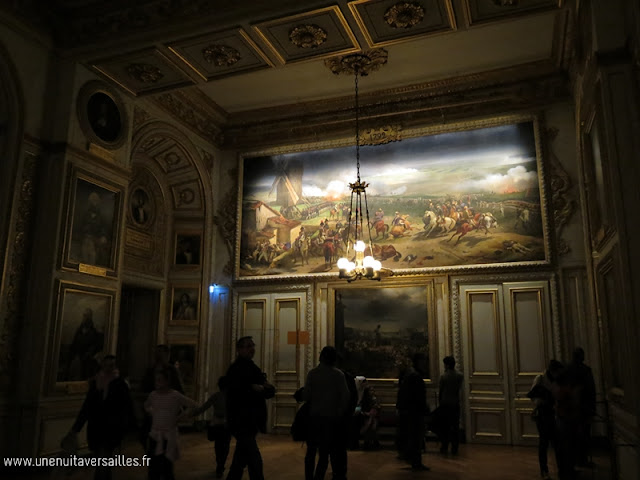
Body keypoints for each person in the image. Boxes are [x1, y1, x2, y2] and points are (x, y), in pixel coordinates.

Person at [67, 355, 135, 480]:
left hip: (111, 430)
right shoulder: (96, 383)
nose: (108, 369)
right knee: (103, 464)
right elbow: (87, 407)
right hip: (96, 429)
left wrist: (126, 429)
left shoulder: (120, 384)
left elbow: (128, 408)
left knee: (102, 465)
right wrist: (75, 429)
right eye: (106, 365)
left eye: (111, 365)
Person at [225, 336, 275, 480]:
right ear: (239, 350)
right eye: (248, 346)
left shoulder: (252, 367)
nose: (252, 349)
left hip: (249, 421)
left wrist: (260, 388)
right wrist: (256, 389)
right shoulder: (236, 370)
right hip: (242, 421)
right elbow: (238, 393)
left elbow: (269, 390)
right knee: (254, 460)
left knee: (240, 460)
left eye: (252, 345)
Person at [304, 346, 350, 480]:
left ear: (321, 357)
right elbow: (345, 397)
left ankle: (308, 477)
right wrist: (339, 412)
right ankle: (318, 477)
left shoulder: (312, 374)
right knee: (324, 454)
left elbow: (306, 396)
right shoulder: (338, 375)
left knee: (311, 452)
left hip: (314, 418)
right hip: (331, 419)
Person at [144, 367, 198, 480]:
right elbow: (147, 405)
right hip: (155, 434)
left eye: (160, 380)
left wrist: (180, 417)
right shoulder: (153, 395)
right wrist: (152, 412)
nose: (157, 383)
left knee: (167, 466)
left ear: (166, 381)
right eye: (156, 380)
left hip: (168, 436)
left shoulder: (175, 395)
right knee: (153, 466)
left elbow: (193, 405)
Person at [141, 345, 184, 447]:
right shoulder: (150, 370)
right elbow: (144, 388)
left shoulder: (171, 371)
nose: (157, 356)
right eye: (156, 353)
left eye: (160, 353)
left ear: (166, 355)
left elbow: (179, 389)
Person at [529, 360, 563, 480]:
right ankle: (544, 470)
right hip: (543, 414)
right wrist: (542, 400)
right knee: (544, 443)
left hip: (551, 413)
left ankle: (560, 469)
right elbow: (533, 396)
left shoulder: (555, 380)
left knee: (555, 443)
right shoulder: (540, 379)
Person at [396, 353, 430, 471]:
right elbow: (417, 397)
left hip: (411, 411)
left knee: (414, 437)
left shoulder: (410, 375)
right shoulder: (414, 376)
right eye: (423, 360)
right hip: (415, 412)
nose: (425, 363)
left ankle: (415, 461)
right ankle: (416, 462)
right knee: (416, 438)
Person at [193, 376, 232, 478]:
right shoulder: (232, 397)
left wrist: (193, 414)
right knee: (225, 446)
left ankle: (219, 464)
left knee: (218, 446)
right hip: (227, 425)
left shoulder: (215, 396)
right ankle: (221, 464)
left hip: (216, 424)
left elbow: (204, 407)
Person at [566, 347, 596, 467]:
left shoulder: (566, 369)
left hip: (569, 408)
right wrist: (592, 408)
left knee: (572, 436)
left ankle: (572, 460)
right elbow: (591, 390)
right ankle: (582, 459)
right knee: (584, 435)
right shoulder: (585, 370)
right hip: (584, 408)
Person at [65, 308, 104, 381]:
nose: (84, 318)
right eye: (84, 315)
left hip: (88, 362)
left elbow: (97, 347)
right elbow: (74, 345)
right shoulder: (79, 330)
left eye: (86, 316)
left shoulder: (94, 332)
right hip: (78, 359)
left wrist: (90, 354)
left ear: (90, 317)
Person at [438, 356, 464, 455]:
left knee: (445, 427)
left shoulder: (443, 377)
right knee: (455, 427)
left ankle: (444, 446)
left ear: (447, 365)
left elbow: (441, 391)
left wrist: (440, 402)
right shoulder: (460, 376)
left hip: (445, 404)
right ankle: (454, 448)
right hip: (455, 403)